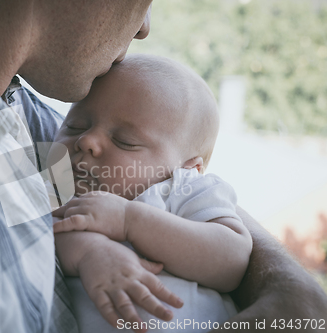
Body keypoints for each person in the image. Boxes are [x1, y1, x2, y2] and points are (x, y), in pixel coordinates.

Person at [0, 1, 325, 333]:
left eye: (124, 139)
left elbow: (182, 195)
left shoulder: (15, 106)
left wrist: (292, 289)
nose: (144, 25)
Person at [52, 54, 252, 332]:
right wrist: (90, 252)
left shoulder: (182, 190)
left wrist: (129, 220)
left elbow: (232, 261)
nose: (86, 141)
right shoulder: (53, 185)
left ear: (187, 168)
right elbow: (38, 235)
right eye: (74, 126)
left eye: (125, 141)